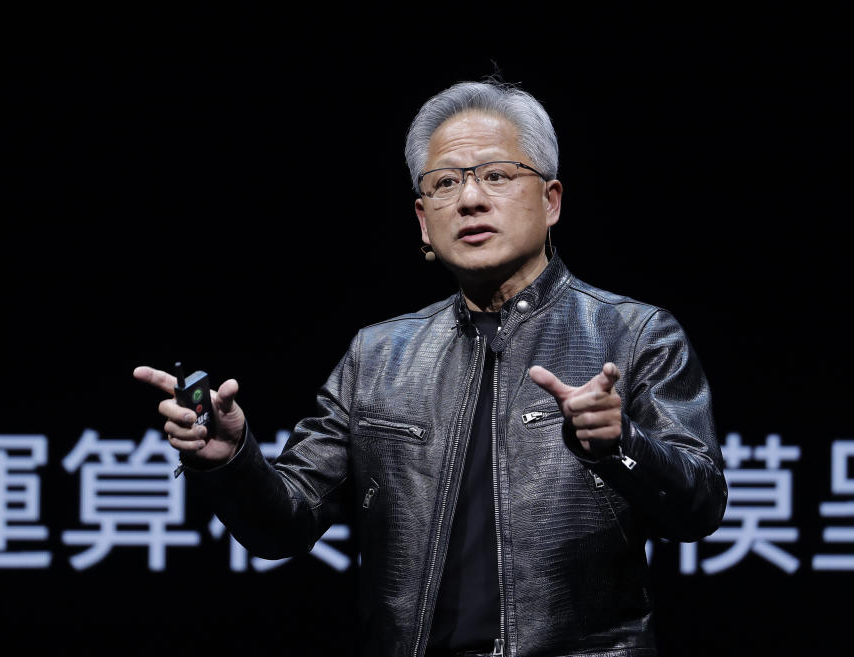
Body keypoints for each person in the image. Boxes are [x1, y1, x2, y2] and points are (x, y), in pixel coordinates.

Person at [134, 80, 727, 657]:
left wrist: (618, 444)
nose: (469, 199)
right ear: (423, 221)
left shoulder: (634, 333)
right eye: (445, 183)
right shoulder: (378, 356)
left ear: (551, 201)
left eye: (496, 175)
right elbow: (283, 525)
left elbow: (699, 506)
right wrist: (232, 461)